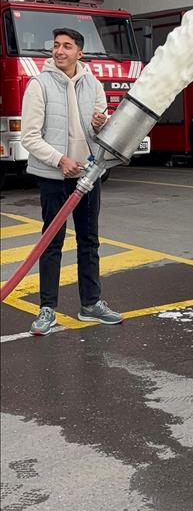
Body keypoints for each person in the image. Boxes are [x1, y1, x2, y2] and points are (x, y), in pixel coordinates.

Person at [21, 27, 122, 335]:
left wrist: (100, 125)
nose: (59, 51)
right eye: (56, 46)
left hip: (88, 177)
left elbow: (100, 134)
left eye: (67, 46)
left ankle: (90, 304)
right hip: (54, 178)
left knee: (89, 241)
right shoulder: (38, 86)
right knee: (52, 243)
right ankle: (47, 309)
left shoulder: (94, 84)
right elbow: (29, 137)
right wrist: (59, 160)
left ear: (80, 52)